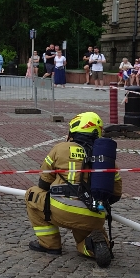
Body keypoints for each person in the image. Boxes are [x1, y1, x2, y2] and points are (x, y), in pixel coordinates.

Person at [25, 112, 122, 268]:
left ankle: (50, 245)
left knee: (32, 194)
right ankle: (93, 245)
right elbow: (116, 195)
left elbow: (43, 184)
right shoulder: (106, 159)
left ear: (73, 130)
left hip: (62, 210)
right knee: (85, 234)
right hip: (94, 215)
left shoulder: (60, 149)